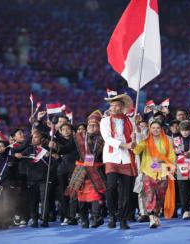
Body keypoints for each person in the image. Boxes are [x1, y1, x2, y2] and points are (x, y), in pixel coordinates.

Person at [100, 93, 137, 230]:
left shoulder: (130, 121)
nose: (113, 108)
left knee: (126, 191)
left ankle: (123, 218)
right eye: (112, 105)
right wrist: (124, 145)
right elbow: (107, 138)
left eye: (116, 105)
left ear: (122, 107)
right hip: (112, 157)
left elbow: (136, 139)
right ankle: (112, 214)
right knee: (111, 188)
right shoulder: (105, 121)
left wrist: (135, 138)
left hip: (127, 158)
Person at [65, 110, 106, 228]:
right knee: (81, 198)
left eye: (95, 125)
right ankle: (84, 220)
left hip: (95, 171)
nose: (92, 127)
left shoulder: (104, 139)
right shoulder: (78, 138)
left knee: (95, 197)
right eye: (90, 125)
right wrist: (55, 146)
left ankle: (95, 218)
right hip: (81, 171)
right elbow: (66, 149)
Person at [133, 120, 176, 228]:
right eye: (153, 128)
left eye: (157, 128)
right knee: (150, 195)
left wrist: (162, 160)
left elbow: (171, 157)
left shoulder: (166, 141)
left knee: (160, 196)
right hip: (148, 172)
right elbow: (136, 151)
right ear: (150, 129)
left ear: (161, 129)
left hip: (162, 172)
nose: (155, 130)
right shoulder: (145, 141)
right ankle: (151, 218)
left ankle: (156, 214)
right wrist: (134, 144)